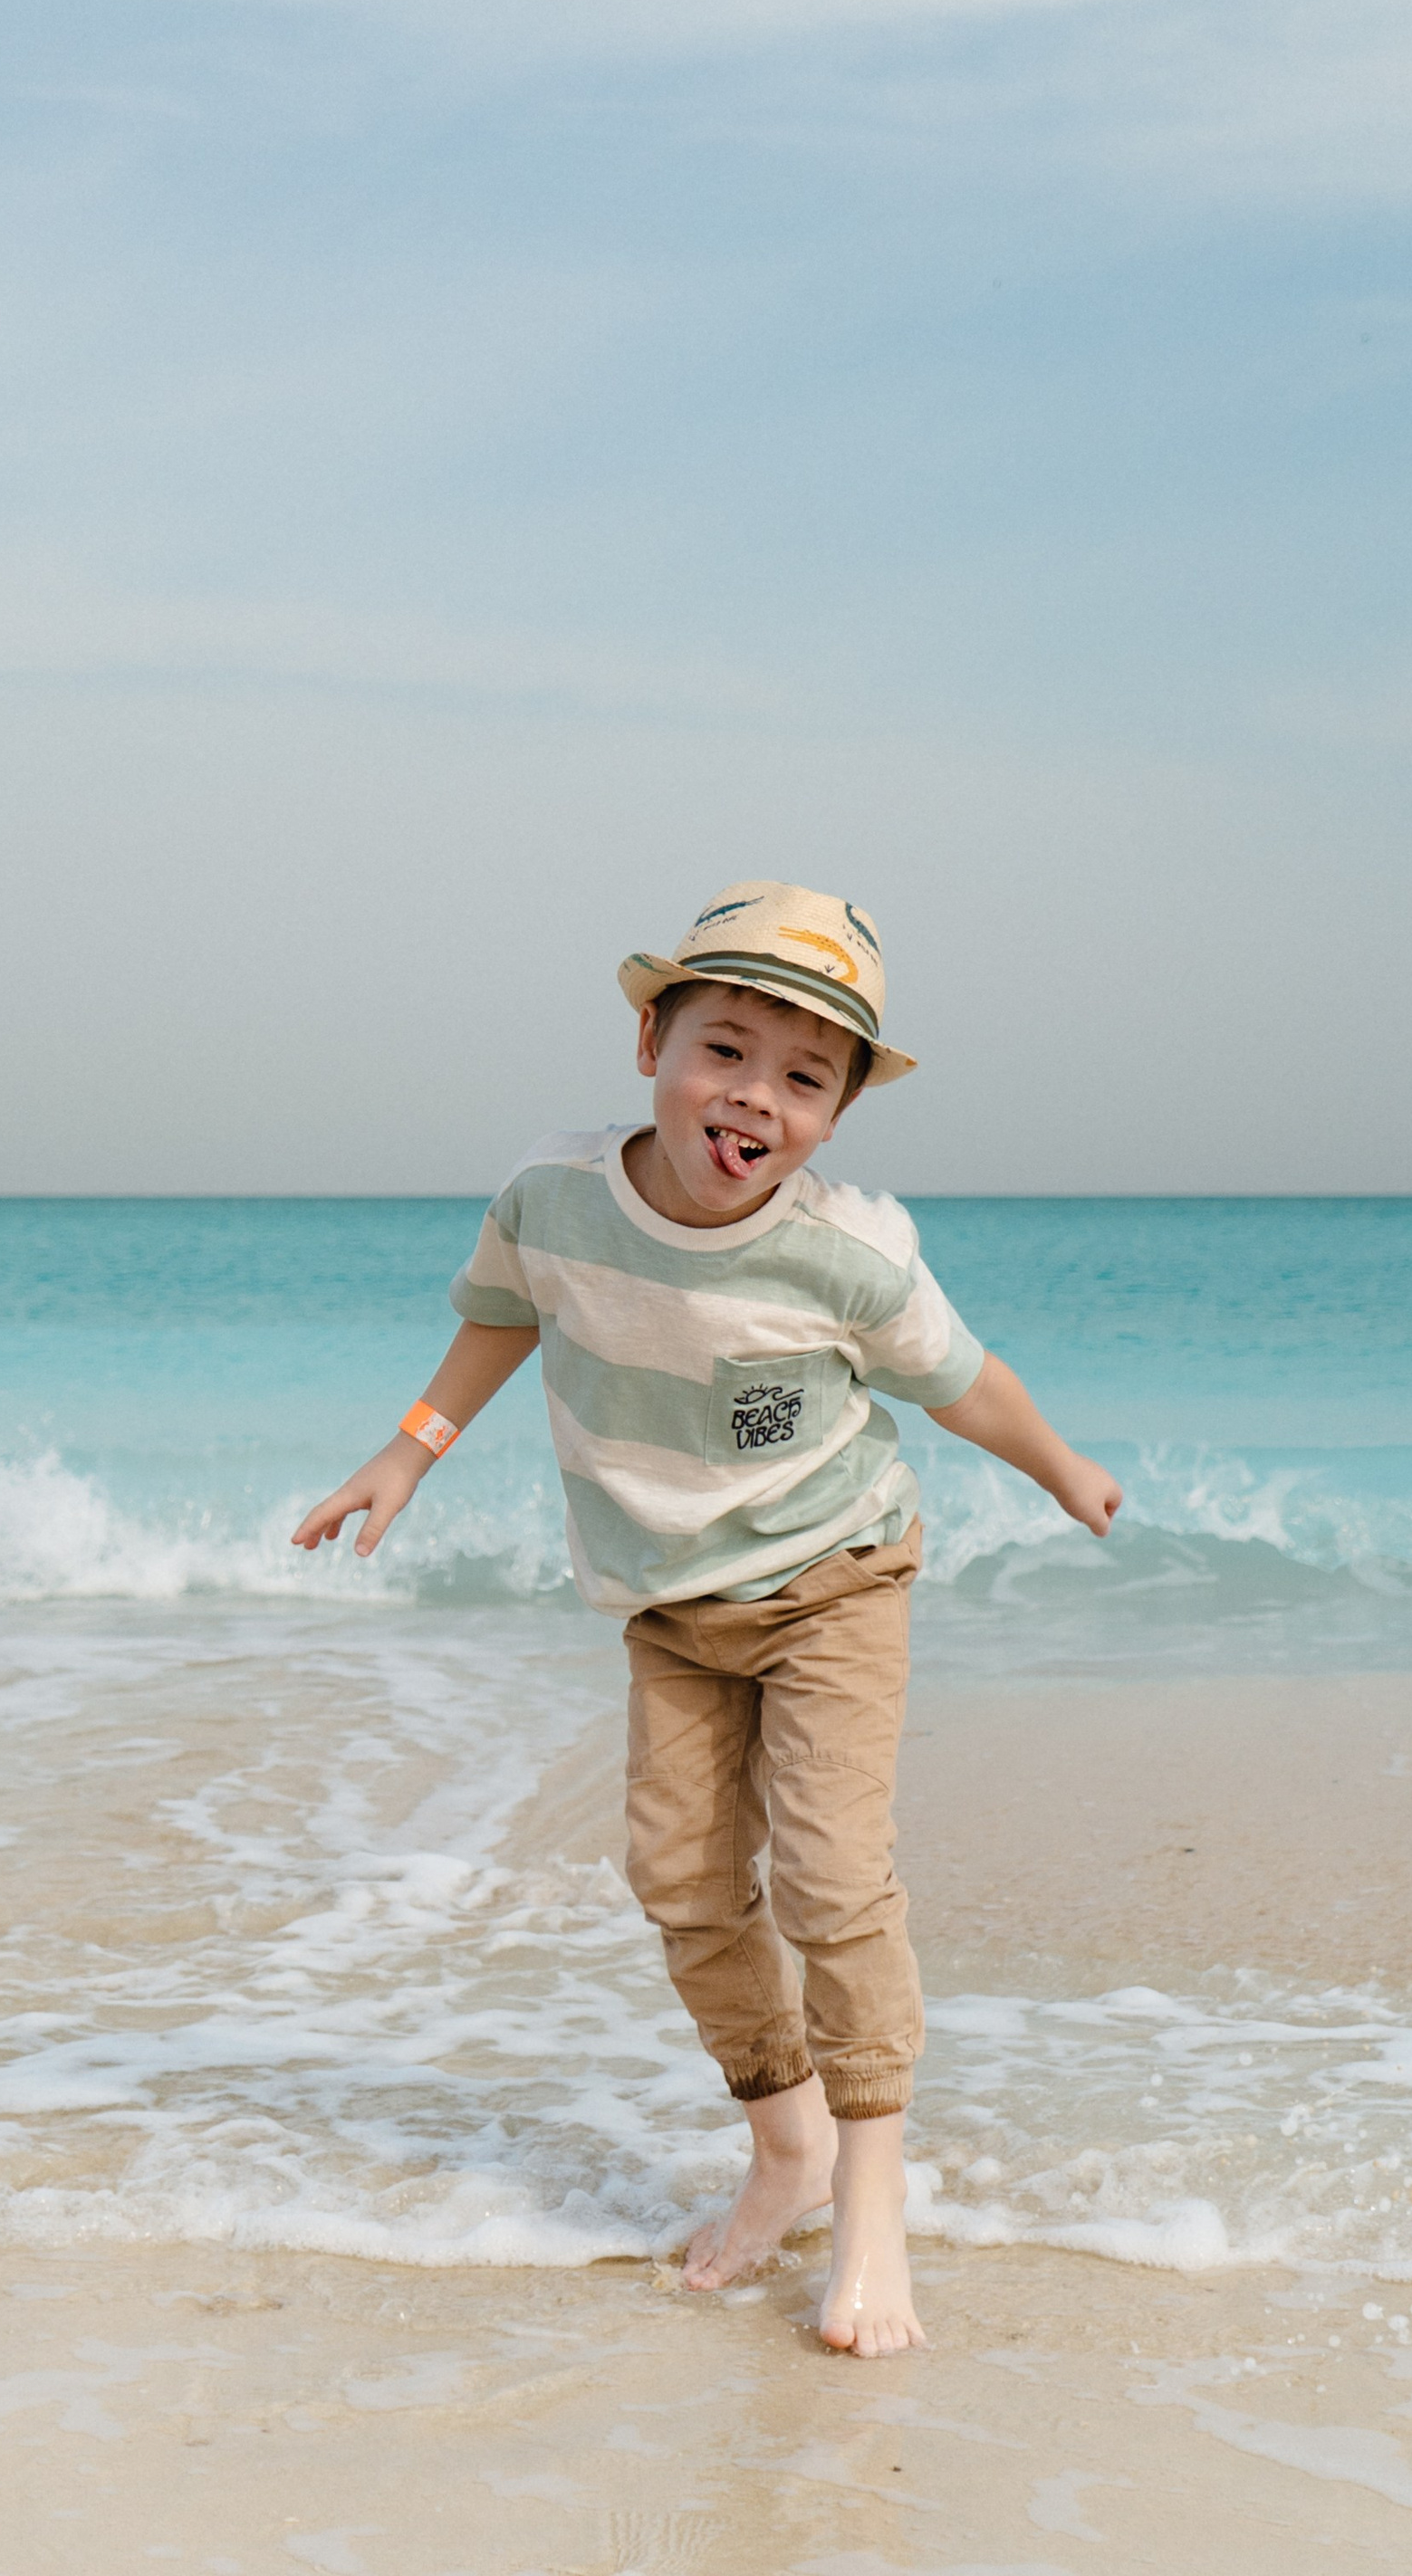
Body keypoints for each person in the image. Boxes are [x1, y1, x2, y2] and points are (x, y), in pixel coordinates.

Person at [293, 880, 1120, 2357]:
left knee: (826, 1872)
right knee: (678, 1877)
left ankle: (871, 2200)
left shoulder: (846, 1252)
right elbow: (504, 1311)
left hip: (834, 1580)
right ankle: (784, 2142)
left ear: (840, 1113)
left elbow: (961, 1377)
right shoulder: (553, 1195)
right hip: (670, 1604)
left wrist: (1061, 1466)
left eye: (806, 1078)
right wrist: (407, 1446)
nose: (755, 1098)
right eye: (724, 1049)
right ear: (648, 1041)